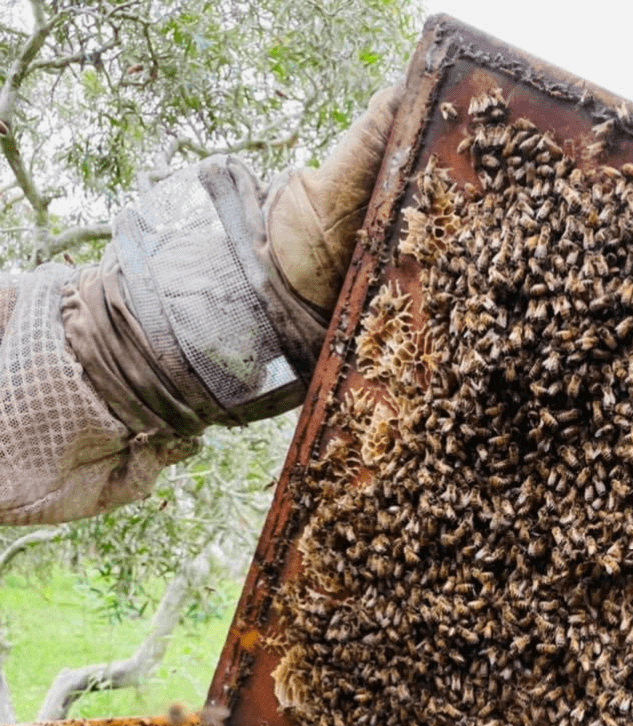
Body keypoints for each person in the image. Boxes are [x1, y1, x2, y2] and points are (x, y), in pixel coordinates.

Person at [0, 86, 401, 526]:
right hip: (182, 287)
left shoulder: (17, 487)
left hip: (222, 363)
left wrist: (164, 425)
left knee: (405, 130)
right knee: (400, 120)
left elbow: (129, 475)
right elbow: (32, 288)